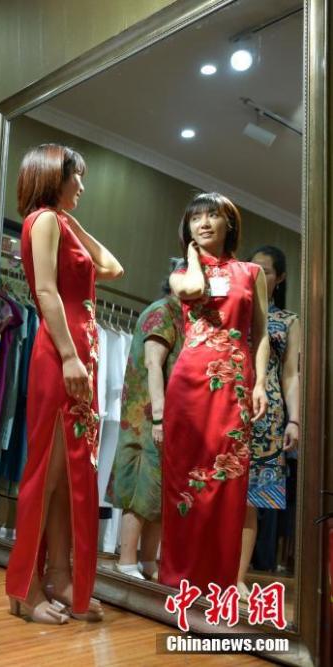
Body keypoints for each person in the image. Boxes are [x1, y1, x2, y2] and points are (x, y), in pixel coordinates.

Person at [4, 144, 124, 624]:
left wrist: (77, 225)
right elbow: (46, 290)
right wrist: (71, 356)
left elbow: (112, 267)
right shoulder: (44, 221)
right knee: (47, 475)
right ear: (55, 175)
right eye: (78, 177)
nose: (82, 186)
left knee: (66, 475)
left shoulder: (61, 223)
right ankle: (24, 587)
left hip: (78, 353)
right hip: (61, 354)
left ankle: (58, 574)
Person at [160, 192, 269, 592]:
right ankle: (178, 580)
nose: (204, 223)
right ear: (187, 230)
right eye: (196, 219)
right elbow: (191, 289)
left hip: (234, 383)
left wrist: (260, 382)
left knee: (227, 480)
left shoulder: (251, 273)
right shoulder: (180, 272)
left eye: (212, 216)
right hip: (189, 383)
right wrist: (193, 257)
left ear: (229, 224)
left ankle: (218, 583)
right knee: (183, 480)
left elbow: (260, 333)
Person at [106, 268, 183, 581]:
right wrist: (160, 416)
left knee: (158, 490)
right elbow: (153, 363)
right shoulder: (162, 312)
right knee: (141, 487)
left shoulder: (179, 315)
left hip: (162, 416)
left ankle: (149, 561)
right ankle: (127, 560)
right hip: (148, 416)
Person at [237, 245, 301, 593]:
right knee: (214, 490)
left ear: (281, 278)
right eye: (253, 268)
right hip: (224, 402)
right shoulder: (232, 308)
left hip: (267, 413)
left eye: (267, 271)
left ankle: (236, 578)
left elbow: (291, 374)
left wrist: (295, 420)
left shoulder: (289, 320)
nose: (258, 275)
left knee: (251, 498)